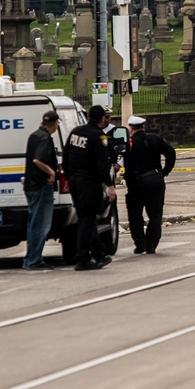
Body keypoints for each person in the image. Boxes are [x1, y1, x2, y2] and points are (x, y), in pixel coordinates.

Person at [64, 105, 117, 270]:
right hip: (89, 183)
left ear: (88, 117)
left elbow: (66, 157)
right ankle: (82, 258)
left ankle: (99, 254)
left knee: (86, 218)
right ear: (102, 119)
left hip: (74, 181)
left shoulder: (75, 132)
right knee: (87, 219)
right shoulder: (99, 136)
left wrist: (68, 178)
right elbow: (102, 165)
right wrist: (110, 186)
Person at [122, 115, 176, 253]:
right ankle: (151, 245)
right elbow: (170, 152)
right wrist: (165, 171)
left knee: (135, 214)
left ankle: (141, 244)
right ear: (143, 127)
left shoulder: (130, 142)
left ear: (130, 128)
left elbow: (125, 163)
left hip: (138, 182)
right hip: (156, 179)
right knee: (155, 214)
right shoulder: (155, 138)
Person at [23, 111, 59, 271]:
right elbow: (37, 159)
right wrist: (51, 172)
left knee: (33, 223)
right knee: (41, 224)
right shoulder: (45, 138)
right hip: (41, 186)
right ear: (55, 124)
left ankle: (30, 258)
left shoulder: (34, 135)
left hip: (30, 185)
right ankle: (34, 260)